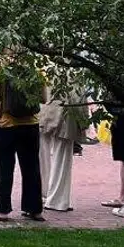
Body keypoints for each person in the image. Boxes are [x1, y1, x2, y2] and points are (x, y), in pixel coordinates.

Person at [0, 63, 45, 222]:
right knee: (32, 168)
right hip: (30, 125)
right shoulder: (35, 66)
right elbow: (44, 98)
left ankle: (2, 209)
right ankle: (35, 209)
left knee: (5, 169)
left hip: (6, 125)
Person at [39, 85, 82, 213]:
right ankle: (57, 199)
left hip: (44, 111)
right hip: (66, 112)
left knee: (42, 154)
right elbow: (78, 94)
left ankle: (43, 193)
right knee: (62, 157)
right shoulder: (75, 70)